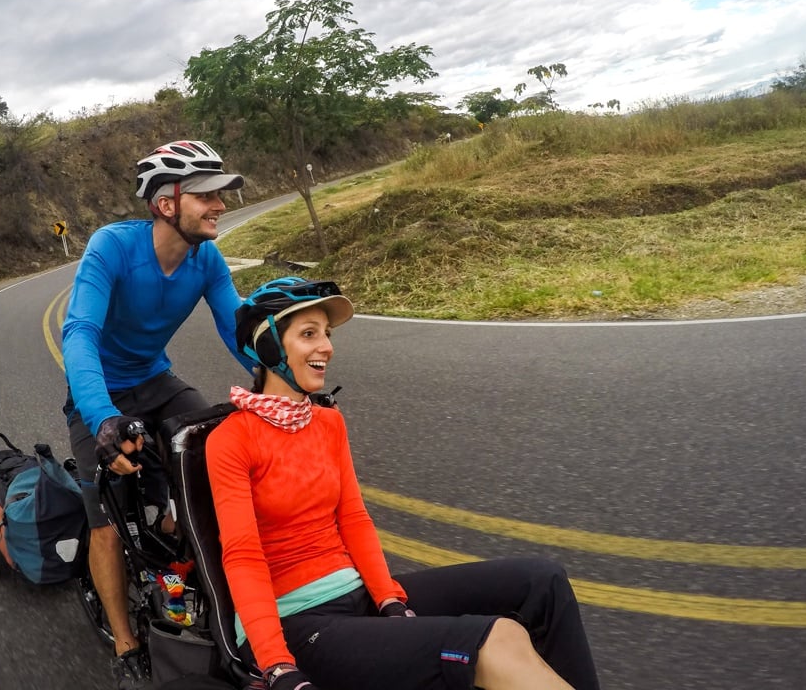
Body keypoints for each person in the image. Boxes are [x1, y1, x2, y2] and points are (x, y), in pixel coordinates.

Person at [206, 278, 601, 690]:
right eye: (309, 334)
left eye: (327, 334)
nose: (326, 347)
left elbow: (353, 517)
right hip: (295, 621)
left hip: (356, 592)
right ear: (269, 347)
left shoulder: (327, 422)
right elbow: (242, 556)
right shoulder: (232, 439)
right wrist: (276, 664)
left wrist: (389, 598)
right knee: (495, 639)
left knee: (542, 581)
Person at [61, 140, 254, 689]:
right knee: (107, 520)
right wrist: (102, 418)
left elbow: (238, 329)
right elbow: (80, 332)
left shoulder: (206, 259)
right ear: (166, 204)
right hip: (99, 391)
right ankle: (125, 642)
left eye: (221, 195)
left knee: (214, 457)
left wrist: (281, 381)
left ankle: (174, 540)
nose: (220, 205)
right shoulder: (113, 247)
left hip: (156, 380)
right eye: (206, 195)